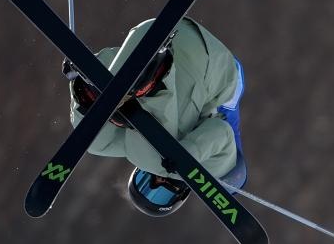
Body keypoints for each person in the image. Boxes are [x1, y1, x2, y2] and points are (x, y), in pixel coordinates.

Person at [68, 17, 247, 217]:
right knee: (154, 157)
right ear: (183, 193)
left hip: (154, 34)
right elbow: (223, 138)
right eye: (163, 194)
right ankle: (154, 79)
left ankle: (90, 88)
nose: (158, 181)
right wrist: (185, 159)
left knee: (94, 143)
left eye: (144, 183)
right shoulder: (210, 167)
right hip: (208, 64)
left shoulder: (140, 151)